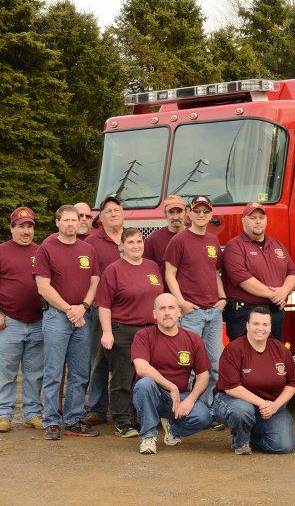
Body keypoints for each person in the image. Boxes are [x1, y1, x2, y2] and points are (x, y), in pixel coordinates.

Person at [34, 204, 100, 440]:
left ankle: (73, 419)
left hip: (82, 316)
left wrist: (83, 307)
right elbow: (43, 287)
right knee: (53, 371)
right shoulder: (46, 248)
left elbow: (95, 281)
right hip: (56, 317)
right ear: (57, 222)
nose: (71, 224)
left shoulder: (87, 249)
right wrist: (69, 309)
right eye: (66, 220)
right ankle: (52, 421)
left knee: (80, 372)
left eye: (74, 220)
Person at [0, 206, 44, 433]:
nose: (26, 231)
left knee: (35, 373)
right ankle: (3, 415)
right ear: (11, 228)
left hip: (38, 322)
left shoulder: (42, 252)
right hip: (9, 322)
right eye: (21, 226)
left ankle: (32, 413)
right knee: (6, 372)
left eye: (29, 226)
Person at [95, 228, 164, 437]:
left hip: (150, 331)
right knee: (123, 377)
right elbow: (104, 305)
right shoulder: (113, 270)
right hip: (123, 330)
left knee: (144, 377)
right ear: (122, 246)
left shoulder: (152, 267)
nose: (136, 246)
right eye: (131, 242)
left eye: (139, 241)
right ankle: (122, 420)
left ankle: (140, 415)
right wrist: (107, 332)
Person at [163, 195, 226, 420]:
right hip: (191, 314)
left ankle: (204, 411)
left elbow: (215, 272)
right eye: (197, 211)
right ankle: (185, 411)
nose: (201, 215)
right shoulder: (179, 240)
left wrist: (223, 297)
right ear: (189, 214)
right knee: (187, 366)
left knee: (215, 365)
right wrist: (181, 303)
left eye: (205, 211)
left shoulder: (213, 241)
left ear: (211, 215)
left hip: (213, 313)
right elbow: (169, 274)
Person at [131, 293, 213, 455]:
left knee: (204, 417)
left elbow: (203, 376)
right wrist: (171, 387)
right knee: (144, 384)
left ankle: (173, 429)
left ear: (179, 312)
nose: (167, 312)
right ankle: (148, 436)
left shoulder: (193, 339)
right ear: (155, 314)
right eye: (162, 308)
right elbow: (141, 368)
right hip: (152, 396)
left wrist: (190, 400)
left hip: (180, 398)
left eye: (171, 308)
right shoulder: (143, 336)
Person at [213, 307, 295, 455]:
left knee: (284, 446)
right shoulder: (233, 349)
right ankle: (241, 442)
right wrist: (262, 403)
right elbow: (232, 388)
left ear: (270, 327)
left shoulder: (281, 350)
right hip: (236, 402)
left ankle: (251, 436)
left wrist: (275, 406)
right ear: (247, 325)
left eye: (265, 324)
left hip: (272, 407)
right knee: (242, 411)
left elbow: (292, 383)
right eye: (256, 324)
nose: (260, 328)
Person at [222, 202, 295, 340]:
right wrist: (276, 295)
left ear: (266, 220)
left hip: (274, 313)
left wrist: (285, 290)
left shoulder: (277, 245)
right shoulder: (235, 246)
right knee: (245, 353)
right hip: (245, 315)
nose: (258, 221)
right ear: (243, 221)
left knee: (274, 352)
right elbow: (243, 279)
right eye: (253, 218)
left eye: (261, 218)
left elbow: (292, 272)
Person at [83, 195, 124, 427]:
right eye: (108, 211)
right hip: (101, 309)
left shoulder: (133, 239)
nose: (113, 214)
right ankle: (97, 408)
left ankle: (129, 407)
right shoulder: (91, 243)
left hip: (130, 311)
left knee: (129, 360)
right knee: (98, 359)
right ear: (101, 218)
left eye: (117, 210)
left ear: (123, 213)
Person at [143, 194, 187, 280]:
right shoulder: (153, 239)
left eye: (179, 212)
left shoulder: (193, 237)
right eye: (171, 212)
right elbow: (145, 269)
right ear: (165, 214)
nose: (175, 217)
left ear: (186, 212)